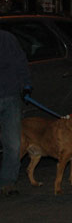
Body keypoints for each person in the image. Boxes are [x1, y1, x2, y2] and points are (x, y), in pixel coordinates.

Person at [0, 29, 32, 196]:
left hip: (10, 97)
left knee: (13, 144)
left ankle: (7, 182)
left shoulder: (7, 39)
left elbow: (21, 61)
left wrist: (26, 83)